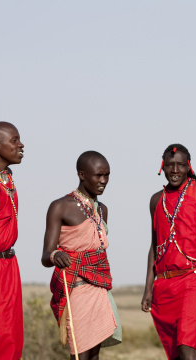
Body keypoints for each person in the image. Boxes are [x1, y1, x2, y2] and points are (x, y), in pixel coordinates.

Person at [141, 144, 196, 360]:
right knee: (176, 353)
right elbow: (155, 246)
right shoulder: (156, 200)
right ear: (162, 166)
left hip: (195, 279)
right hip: (164, 284)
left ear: (188, 166)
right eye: (169, 165)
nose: (174, 170)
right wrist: (148, 288)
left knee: (185, 346)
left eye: (180, 165)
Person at [42, 151, 121, 360]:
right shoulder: (60, 206)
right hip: (75, 290)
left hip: (99, 288)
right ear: (82, 175)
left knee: (94, 354)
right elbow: (46, 254)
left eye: (107, 175)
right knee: (80, 354)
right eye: (98, 175)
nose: (103, 181)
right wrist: (55, 255)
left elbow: (98, 251)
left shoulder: (102, 209)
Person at [0, 122, 24, 360]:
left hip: (8, 267)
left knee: (12, 339)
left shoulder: (5, 178)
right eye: (14, 140)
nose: (21, 145)